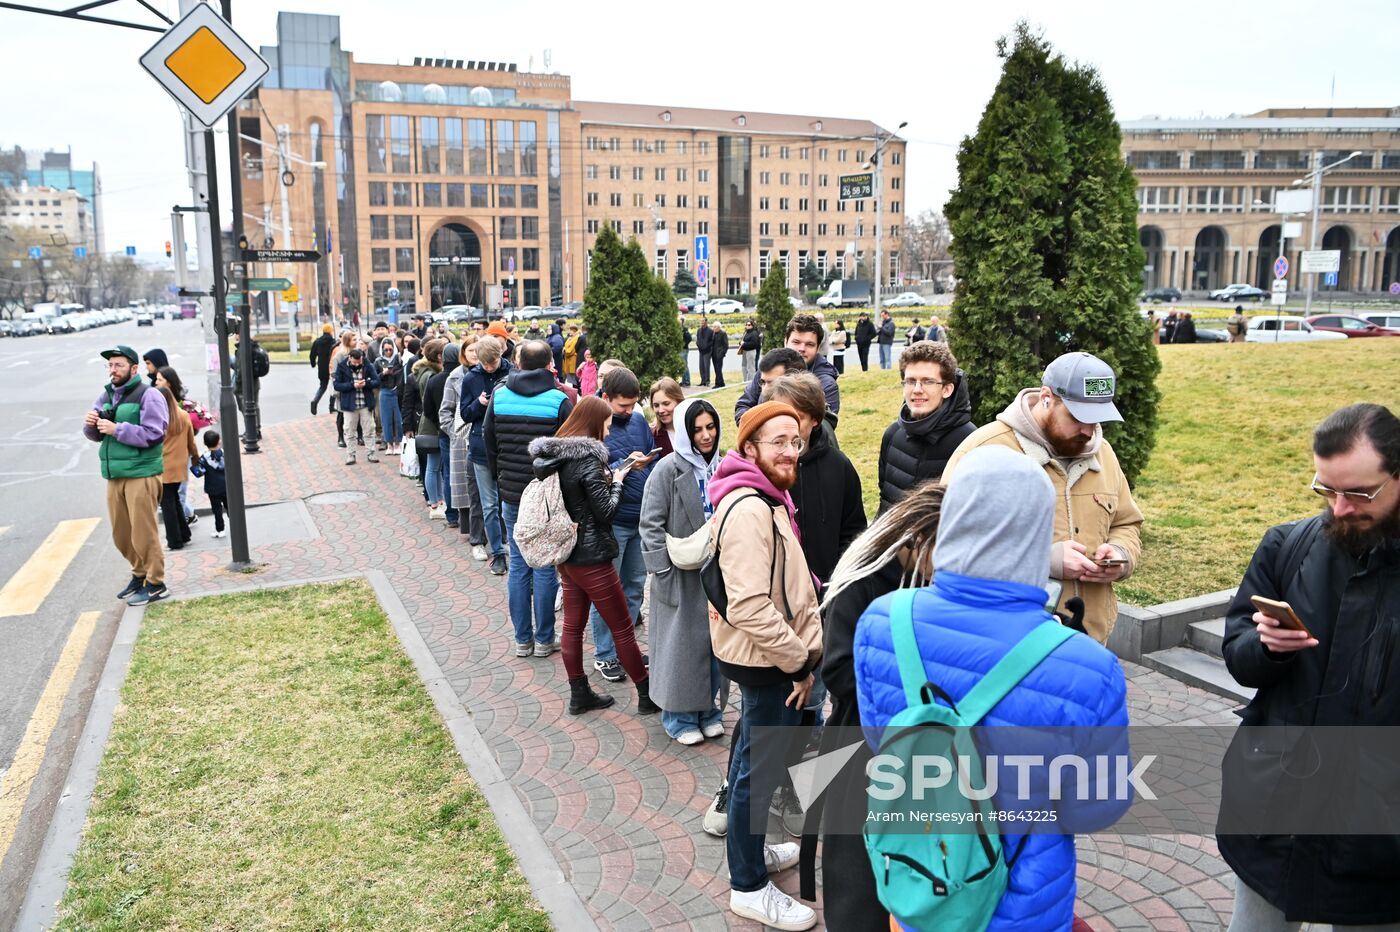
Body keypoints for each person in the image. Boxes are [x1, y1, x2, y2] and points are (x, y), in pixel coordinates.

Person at [854, 446, 1130, 932]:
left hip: (923, 887)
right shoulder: (1089, 668)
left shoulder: (882, 621)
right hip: (1021, 909)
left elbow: (884, 742)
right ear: (1038, 534)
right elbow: (1092, 810)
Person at [1218, 403, 1400, 931]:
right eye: (1326, 491)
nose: (1340, 509)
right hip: (1272, 821)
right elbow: (1240, 656)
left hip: (1378, 844)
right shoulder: (1287, 545)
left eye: (1360, 494)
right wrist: (1267, 646)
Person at [807, 479, 945, 932]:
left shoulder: (927, 582)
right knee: (859, 879)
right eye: (941, 551)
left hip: (915, 752)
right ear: (916, 539)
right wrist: (915, 683)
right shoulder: (863, 579)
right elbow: (839, 671)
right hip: (862, 746)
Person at [707, 401, 822, 931]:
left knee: (753, 763)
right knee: (759, 774)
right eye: (777, 441)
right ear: (750, 448)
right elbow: (749, 604)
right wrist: (799, 662)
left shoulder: (765, 496)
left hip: (765, 658)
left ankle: (751, 856)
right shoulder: (751, 508)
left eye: (795, 441)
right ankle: (749, 886)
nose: (789, 450)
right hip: (770, 661)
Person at [943, 352, 1143, 644]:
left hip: (1090, 642)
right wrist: (1042, 559)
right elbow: (944, 544)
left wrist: (1121, 555)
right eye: (1078, 417)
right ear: (1047, 397)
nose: (1089, 431)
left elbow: (1127, 523)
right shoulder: (982, 451)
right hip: (1008, 645)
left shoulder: (1105, 454)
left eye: (1098, 419)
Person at [528, 397, 657, 712]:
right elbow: (606, 511)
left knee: (572, 626)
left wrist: (615, 473)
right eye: (608, 425)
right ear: (593, 423)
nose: (609, 432)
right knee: (622, 627)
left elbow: (580, 497)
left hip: (567, 555)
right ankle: (646, 695)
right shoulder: (587, 460)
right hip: (593, 557)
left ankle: (579, 693)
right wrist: (620, 481)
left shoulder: (555, 454)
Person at [639, 398, 726, 745]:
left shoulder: (723, 464)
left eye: (710, 427)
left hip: (717, 570)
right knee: (680, 649)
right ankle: (678, 717)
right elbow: (649, 523)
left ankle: (709, 711)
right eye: (697, 430)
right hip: (679, 575)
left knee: (716, 646)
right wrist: (662, 573)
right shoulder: (667, 469)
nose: (706, 436)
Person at [484, 340, 573, 655]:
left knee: (519, 564)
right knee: (546, 564)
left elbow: (489, 439)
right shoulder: (559, 400)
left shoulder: (499, 395)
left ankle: (523, 640)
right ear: (550, 364)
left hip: (511, 492)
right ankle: (545, 638)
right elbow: (568, 451)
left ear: (518, 364)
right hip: (546, 495)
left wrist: (500, 474)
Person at [587, 367, 659, 681]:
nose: (629, 412)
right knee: (607, 592)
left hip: (640, 517)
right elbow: (591, 474)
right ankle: (605, 655)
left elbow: (647, 458)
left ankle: (623, 647)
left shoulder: (640, 421)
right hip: (612, 522)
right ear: (606, 398)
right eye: (622, 406)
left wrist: (646, 460)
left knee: (633, 589)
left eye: (633, 405)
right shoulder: (593, 426)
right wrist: (626, 464)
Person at [83, 345, 169, 607]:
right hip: (115, 473)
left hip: (140, 474)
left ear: (133, 369)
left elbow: (155, 434)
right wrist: (91, 426)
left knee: (144, 533)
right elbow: (97, 433)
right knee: (122, 535)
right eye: (110, 365)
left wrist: (117, 428)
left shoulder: (149, 394)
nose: (113, 370)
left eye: (118, 365)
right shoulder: (107, 395)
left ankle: (156, 582)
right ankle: (139, 573)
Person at [877, 340, 976, 513]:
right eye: (910, 381)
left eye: (928, 381)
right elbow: (885, 501)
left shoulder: (971, 442)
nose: (917, 389)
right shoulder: (893, 435)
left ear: (947, 389)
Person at [461, 335, 512, 571]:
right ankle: (497, 552)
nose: (490, 367)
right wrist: (478, 404)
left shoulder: (511, 373)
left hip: (507, 446)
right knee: (489, 505)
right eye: (486, 364)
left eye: (493, 363)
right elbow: (464, 414)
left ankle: (510, 543)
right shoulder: (471, 378)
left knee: (508, 501)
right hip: (481, 448)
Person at [734, 315, 841, 425]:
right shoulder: (769, 368)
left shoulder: (825, 384)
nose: (802, 349)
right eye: (796, 342)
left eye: (809, 344)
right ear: (785, 342)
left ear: (818, 348)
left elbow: (824, 425)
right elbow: (744, 405)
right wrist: (755, 430)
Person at [444, 335, 485, 550]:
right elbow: (445, 412)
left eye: (478, 351)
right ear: (463, 353)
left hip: (483, 438)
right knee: (468, 490)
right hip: (462, 440)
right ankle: (472, 533)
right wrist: (455, 434)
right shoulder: (454, 377)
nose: (475, 355)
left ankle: (488, 533)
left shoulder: (489, 374)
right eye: (471, 351)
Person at [424, 343, 462, 527]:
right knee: (463, 472)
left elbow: (428, 409)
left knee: (448, 472)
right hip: (462, 431)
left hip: (444, 432)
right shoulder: (463, 377)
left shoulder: (434, 380)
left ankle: (452, 515)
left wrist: (440, 425)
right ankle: (462, 512)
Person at [155, 383, 196, 551]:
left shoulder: (159, 419)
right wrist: (196, 458)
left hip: (164, 467)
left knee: (167, 504)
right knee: (175, 500)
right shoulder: (183, 415)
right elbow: (191, 442)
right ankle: (184, 533)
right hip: (180, 466)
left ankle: (175, 541)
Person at [333, 347, 381, 466]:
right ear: (350, 358)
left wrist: (366, 384)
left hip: (365, 403)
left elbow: (377, 380)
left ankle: (371, 452)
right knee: (349, 430)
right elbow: (337, 385)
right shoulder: (342, 366)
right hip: (349, 404)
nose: (357, 364)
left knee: (369, 428)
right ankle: (351, 454)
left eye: (359, 362)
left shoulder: (367, 365)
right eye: (355, 362)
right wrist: (352, 385)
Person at [374, 336, 404, 455]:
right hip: (385, 391)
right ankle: (389, 444)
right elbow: (374, 377)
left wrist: (393, 372)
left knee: (398, 418)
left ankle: (398, 443)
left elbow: (402, 374)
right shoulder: (378, 361)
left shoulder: (398, 359)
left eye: (390, 349)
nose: (388, 352)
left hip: (396, 390)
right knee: (385, 419)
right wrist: (383, 373)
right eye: (385, 350)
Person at [199, 429, 227, 539]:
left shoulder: (204, 458)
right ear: (219, 441)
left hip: (213, 488)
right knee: (229, 507)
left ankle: (220, 530)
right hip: (226, 486)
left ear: (205, 443)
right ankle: (236, 525)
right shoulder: (225, 453)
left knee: (217, 510)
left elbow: (200, 472)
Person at [649, 377, 684, 458]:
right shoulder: (651, 436)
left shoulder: (695, 428)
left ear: (679, 402)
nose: (661, 410)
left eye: (666, 404)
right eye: (656, 405)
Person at [309, 323, 336, 414]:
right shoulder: (333, 342)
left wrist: (313, 364)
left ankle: (315, 400)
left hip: (322, 367)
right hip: (332, 366)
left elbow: (312, 355)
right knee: (333, 386)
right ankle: (331, 407)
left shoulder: (317, 341)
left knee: (323, 386)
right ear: (331, 331)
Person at [709, 320, 729, 389]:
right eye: (713, 327)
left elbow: (726, 345)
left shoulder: (723, 333)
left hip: (719, 354)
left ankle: (718, 383)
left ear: (719, 327)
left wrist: (723, 353)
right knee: (716, 369)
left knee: (718, 369)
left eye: (715, 327)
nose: (713, 328)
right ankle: (721, 382)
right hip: (713, 354)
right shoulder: (714, 333)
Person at [695, 314, 714, 386]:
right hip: (701, 351)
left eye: (703, 321)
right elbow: (698, 339)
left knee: (706, 366)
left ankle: (707, 381)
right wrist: (698, 345)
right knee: (701, 366)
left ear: (706, 322)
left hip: (707, 351)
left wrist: (707, 346)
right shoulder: (699, 330)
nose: (702, 322)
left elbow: (712, 341)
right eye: (701, 321)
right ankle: (702, 381)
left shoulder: (710, 331)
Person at [678, 314, 692, 386]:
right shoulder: (678, 329)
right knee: (681, 366)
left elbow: (689, 338)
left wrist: (684, 344)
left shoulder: (684, 329)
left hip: (684, 349)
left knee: (684, 365)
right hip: (680, 349)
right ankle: (683, 381)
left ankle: (687, 381)